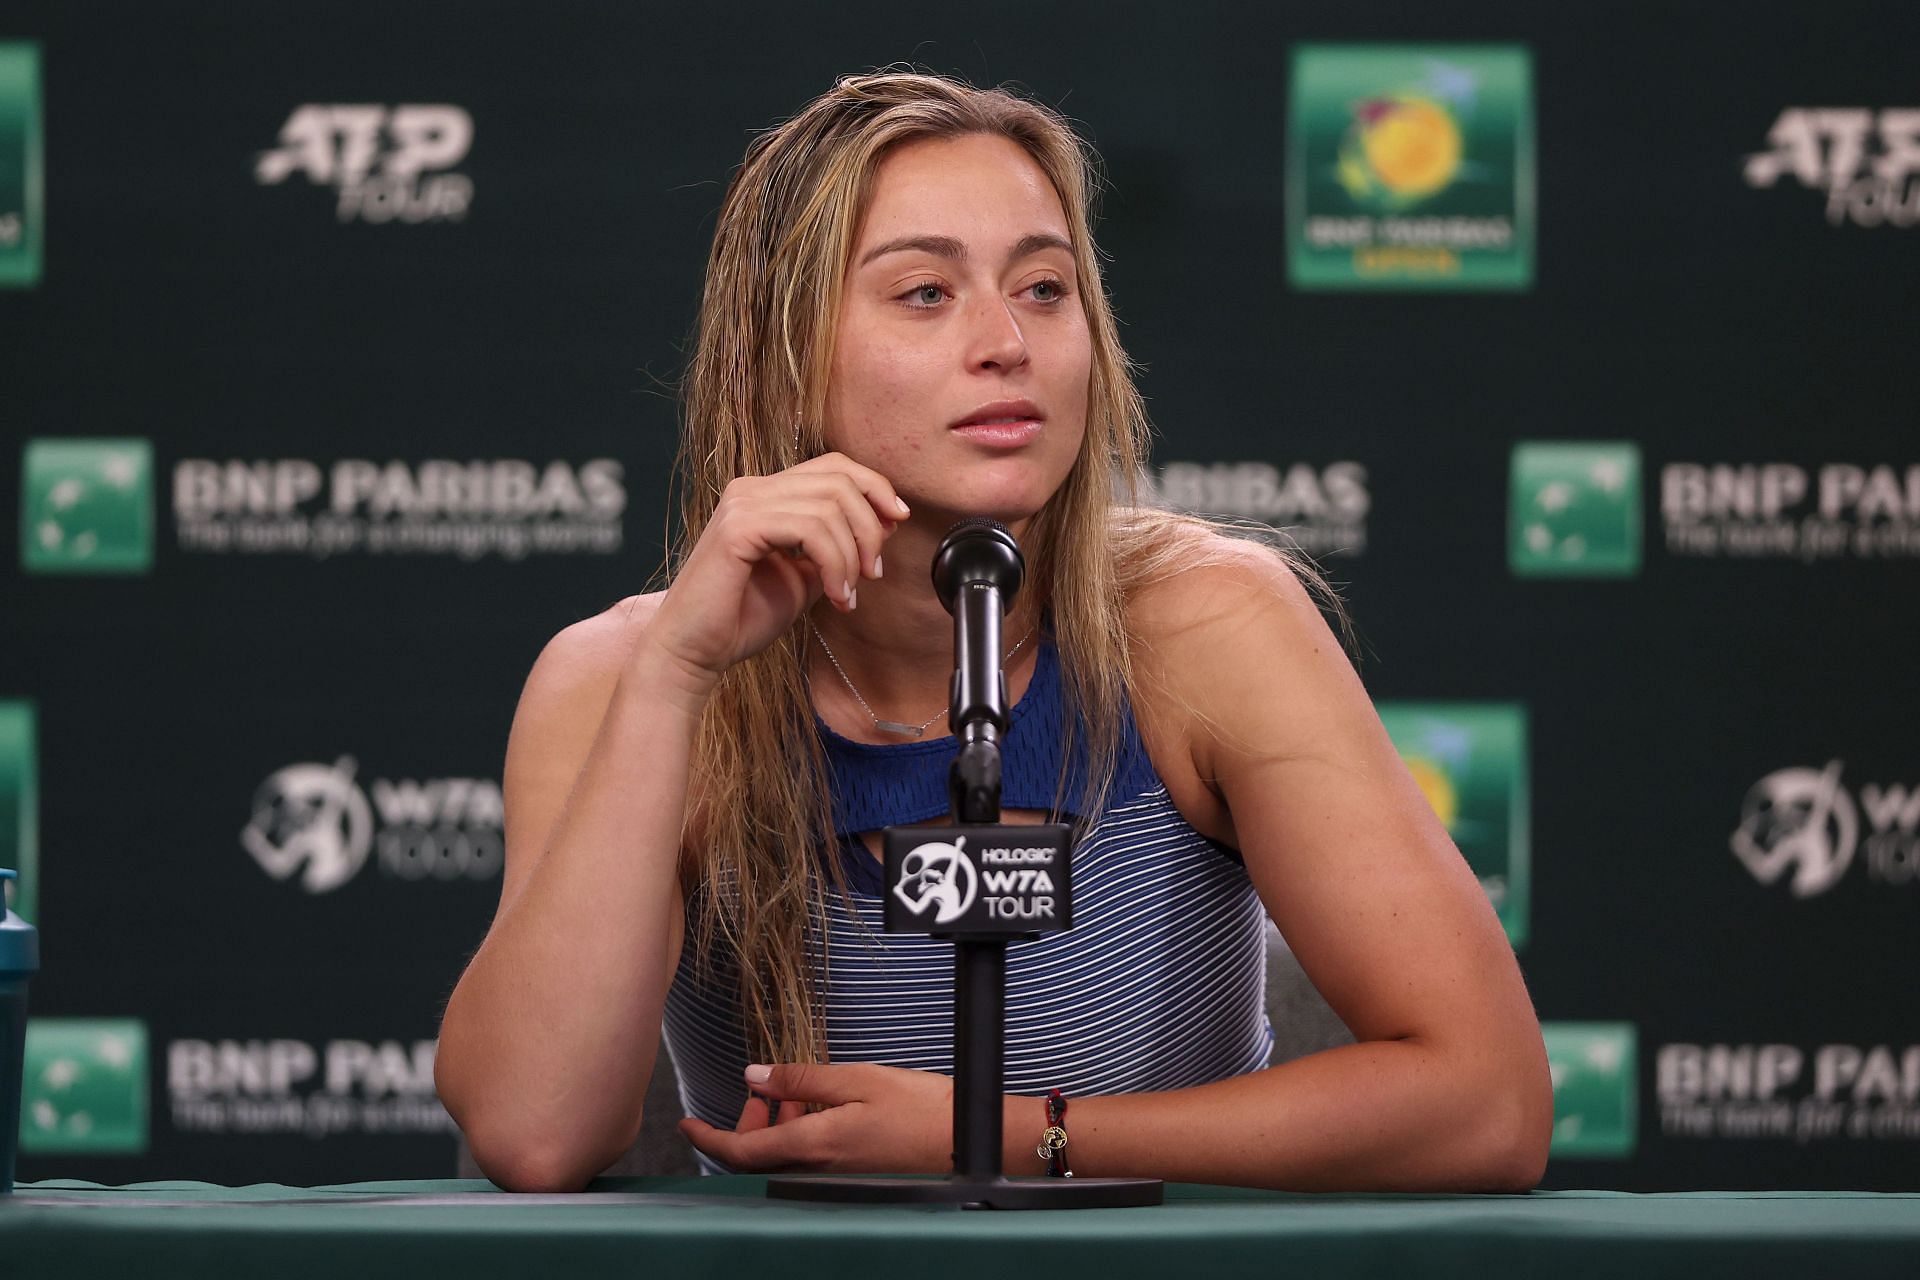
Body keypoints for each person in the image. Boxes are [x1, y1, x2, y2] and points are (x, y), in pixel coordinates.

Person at [434, 70, 1552, 1194]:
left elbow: (1487, 1100)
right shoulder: (623, 676)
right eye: (925, 292)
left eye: (1047, 287)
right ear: (780, 352)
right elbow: (536, 1132)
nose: (1006, 339)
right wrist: (676, 675)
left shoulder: (1208, 625)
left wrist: (1003, 1136)